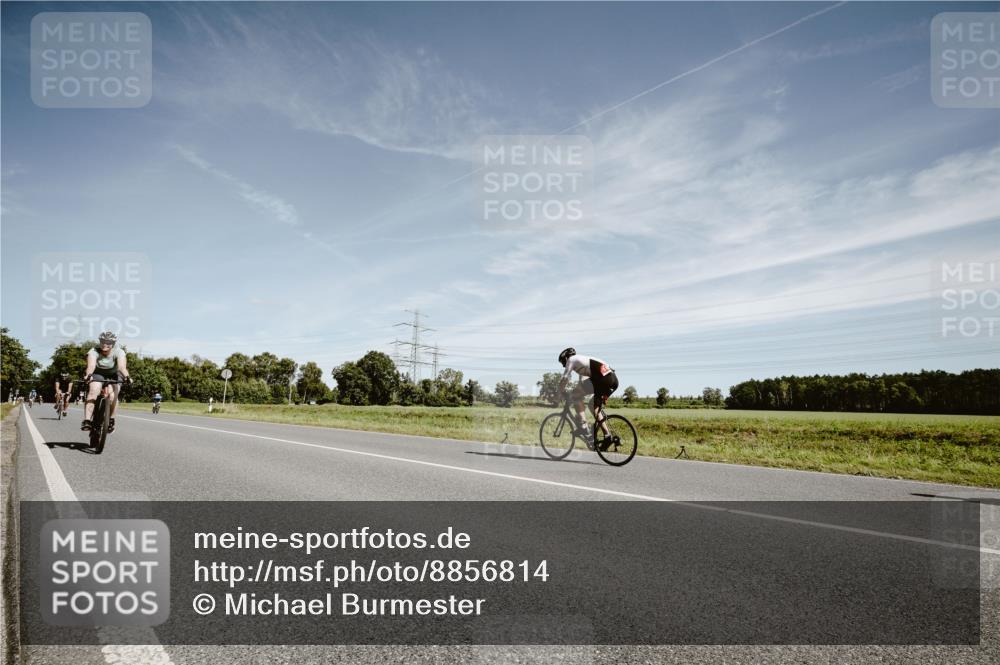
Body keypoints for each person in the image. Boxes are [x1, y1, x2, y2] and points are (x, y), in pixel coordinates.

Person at [557, 347, 619, 451]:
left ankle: (585, 428)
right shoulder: (583, 360)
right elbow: (582, 383)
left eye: (563, 362)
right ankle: (604, 434)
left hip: (603, 379)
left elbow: (565, 378)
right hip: (612, 379)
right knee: (591, 404)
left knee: (577, 396)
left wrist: (559, 392)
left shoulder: (571, 360)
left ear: (566, 358)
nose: (564, 365)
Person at [82, 331, 130, 433]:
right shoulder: (93, 350)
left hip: (114, 375)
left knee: (113, 396)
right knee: (93, 390)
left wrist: (127, 376)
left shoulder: (119, 351)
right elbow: (91, 366)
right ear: (100, 342)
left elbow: (121, 367)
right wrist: (88, 375)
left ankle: (111, 419)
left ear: (113, 344)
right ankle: (87, 421)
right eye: (103, 341)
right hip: (97, 374)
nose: (105, 344)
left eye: (108, 342)